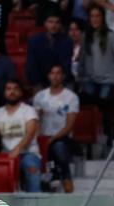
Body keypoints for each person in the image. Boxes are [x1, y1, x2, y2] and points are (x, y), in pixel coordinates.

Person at [0, 80, 41, 193]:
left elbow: (30, 134)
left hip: (28, 154)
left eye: (15, 89)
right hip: (6, 155)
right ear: (4, 92)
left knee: (32, 168)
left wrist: (18, 149)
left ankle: (35, 205)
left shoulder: (28, 110)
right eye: (8, 89)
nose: (12, 92)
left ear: (21, 93)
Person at [78, 4, 114, 147]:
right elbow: (82, 60)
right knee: (90, 105)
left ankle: (108, 138)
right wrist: (81, 79)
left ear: (103, 18)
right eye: (92, 16)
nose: (95, 19)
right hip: (90, 79)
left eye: (98, 16)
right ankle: (93, 140)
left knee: (104, 102)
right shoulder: (86, 36)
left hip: (109, 80)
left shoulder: (112, 36)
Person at [33, 65, 79, 193]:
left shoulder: (71, 97)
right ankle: (56, 179)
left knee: (58, 147)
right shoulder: (40, 96)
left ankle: (61, 178)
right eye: (52, 73)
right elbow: (35, 121)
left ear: (63, 76)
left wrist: (52, 138)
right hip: (42, 137)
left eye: (58, 73)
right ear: (48, 76)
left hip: (62, 137)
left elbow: (69, 125)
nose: (55, 76)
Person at [25, 12, 73, 90]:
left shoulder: (67, 42)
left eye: (57, 22)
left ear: (60, 25)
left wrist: (58, 82)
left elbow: (66, 66)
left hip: (61, 83)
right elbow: (31, 65)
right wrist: (37, 84)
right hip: (40, 82)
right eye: (51, 22)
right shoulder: (34, 41)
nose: (54, 26)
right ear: (45, 23)